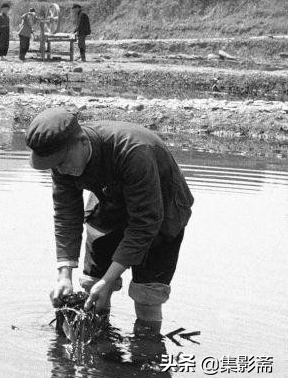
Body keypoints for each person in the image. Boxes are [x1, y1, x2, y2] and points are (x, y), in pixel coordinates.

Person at [26, 108, 193, 333]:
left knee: (147, 295)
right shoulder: (62, 163)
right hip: (109, 202)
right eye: (53, 164)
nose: (60, 169)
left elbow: (145, 223)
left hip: (161, 210)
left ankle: (146, 348)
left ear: (82, 141)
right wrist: (64, 274)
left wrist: (110, 278)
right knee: (93, 286)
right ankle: (98, 349)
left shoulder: (133, 151)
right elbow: (66, 214)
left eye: (62, 161)